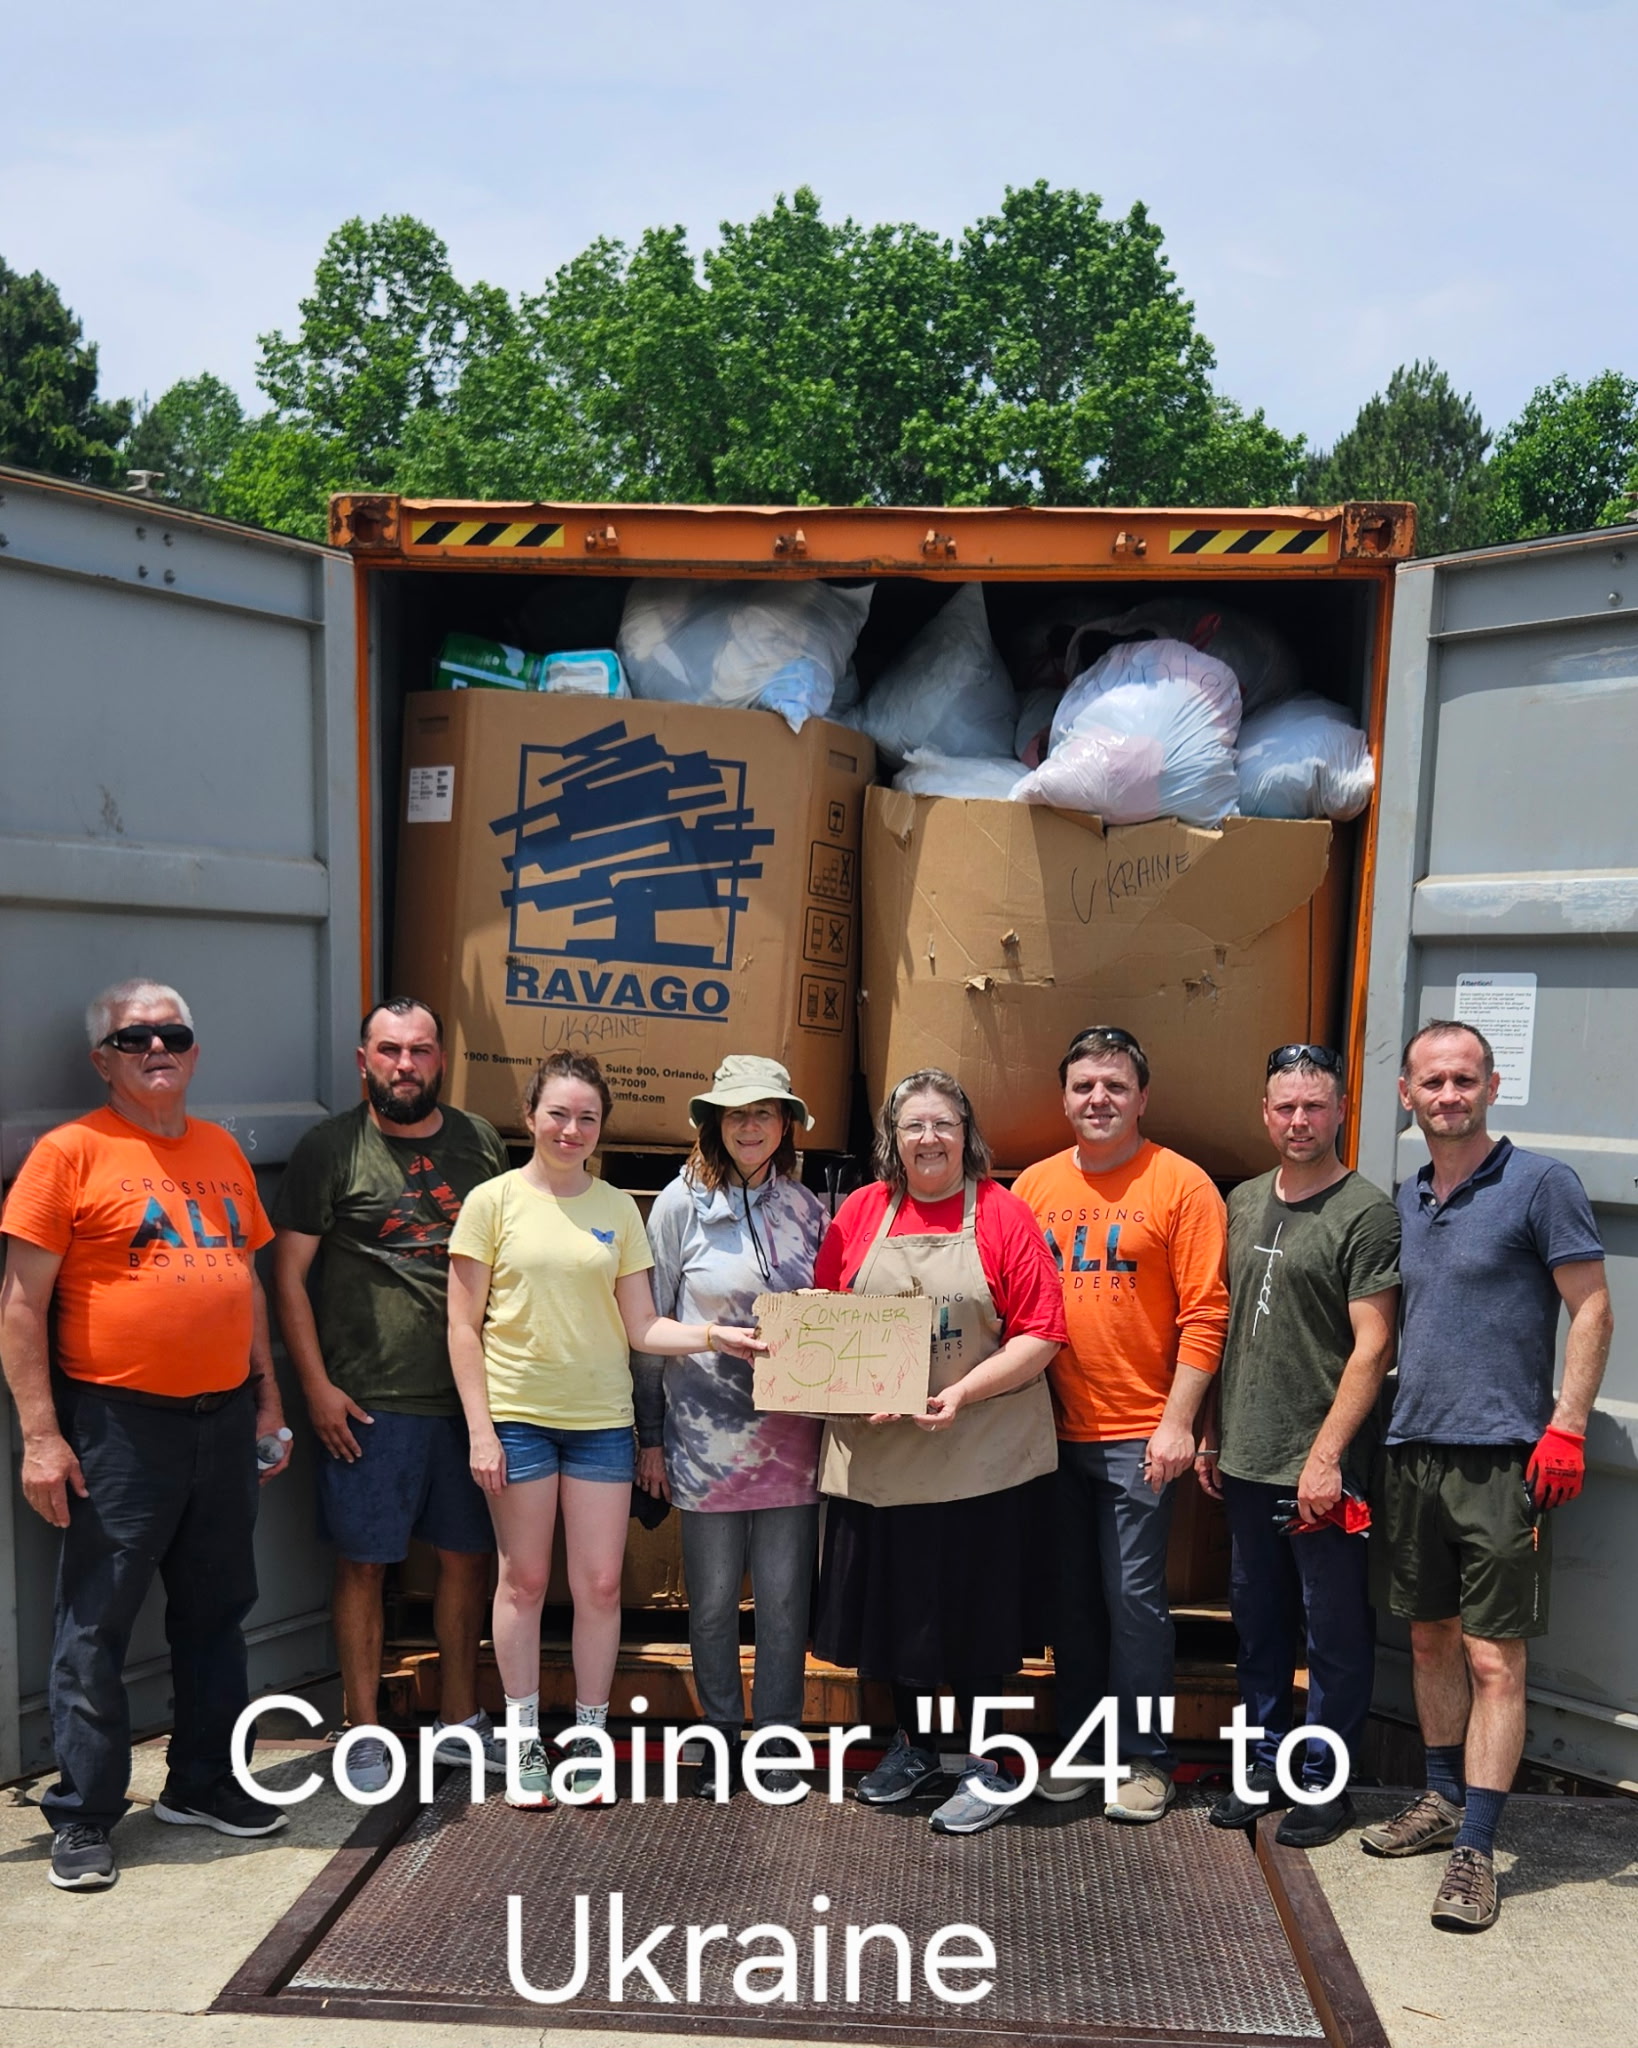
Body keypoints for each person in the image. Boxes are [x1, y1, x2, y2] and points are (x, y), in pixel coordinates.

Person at [0, 980, 291, 1892]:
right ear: (104, 1059)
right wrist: (41, 1436)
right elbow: (20, 1305)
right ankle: (85, 1813)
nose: (157, 1048)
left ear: (194, 1050)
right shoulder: (69, 1153)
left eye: (173, 1034)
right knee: (96, 1621)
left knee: (218, 1610)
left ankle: (202, 1783)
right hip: (118, 1427)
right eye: (135, 1038)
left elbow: (244, 1280)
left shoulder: (220, 1151)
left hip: (223, 1418)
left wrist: (268, 1397)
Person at [447, 1051, 765, 1810]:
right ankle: (525, 1740)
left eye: (587, 1118)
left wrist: (714, 1337)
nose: (572, 1129)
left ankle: (589, 1738)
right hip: (520, 1420)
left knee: (600, 1585)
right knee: (524, 1582)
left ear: (601, 1128)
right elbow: (461, 1327)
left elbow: (643, 1325)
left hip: (600, 1424)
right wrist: (480, 1430)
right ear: (530, 1117)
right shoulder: (491, 1202)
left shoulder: (618, 1208)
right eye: (558, 1114)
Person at [1362, 1020, 1611, 1933]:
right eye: (1432, 1081)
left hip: (1505, 1461)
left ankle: (1478, 1845)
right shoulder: (1408, 1196)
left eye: (1464, 1079)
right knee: (1430, 1642)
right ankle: (1439, 1799)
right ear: (1407, 1095)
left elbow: (1593, 1309)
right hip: (1414, 1451)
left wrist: (1567, 1428)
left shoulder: (1542, 1184)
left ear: (1492, 1086)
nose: (1448, 1095)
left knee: (1494, 1658)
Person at [811, 1068, 1066, 1837]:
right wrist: (851, 1385)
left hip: (980, 1459)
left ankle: (988, 1765)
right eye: (913, 1125)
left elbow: (1042, 1333)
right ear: (892, 1140)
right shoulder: (860, 1212)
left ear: (967, 1135)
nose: (929, 1139)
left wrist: (960, 1394)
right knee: (902, 1619)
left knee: (979, 1623)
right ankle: (917, 1748)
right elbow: (825, 1319)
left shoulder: (1003, 1214)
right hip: (884, 1461)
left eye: (944, 1124)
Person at [272, 999, 509, 1794]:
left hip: (468, 1400)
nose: (405, 1065)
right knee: (365, 1564)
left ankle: (460, 1723)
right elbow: (288, 1278)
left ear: (441, 1059)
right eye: (389, 1050)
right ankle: (364, 1730)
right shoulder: (331, 1149)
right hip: (368, 1403)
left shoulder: (479, 1143)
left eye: (420, 1050)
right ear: (362, 1060)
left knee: (467, 1559)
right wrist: (316, 1388)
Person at [1014, 1025, 1229, 1822]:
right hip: (1049, 1434)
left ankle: (1145, 1760)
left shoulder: (1181, 1185)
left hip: (1140, 1434)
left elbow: (1206, 1315)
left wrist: (1179, 1425)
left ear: (1143, 1098)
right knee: (1071, 1604)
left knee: (1133, 1599)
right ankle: (1083, 1752)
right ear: (1064, 1098)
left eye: (1114, 1086)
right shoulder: (1033, 1187)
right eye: (1083, 1086)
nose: (1098, 1099)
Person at [1196, 1044, 1400, 1848]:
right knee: (1260, 1626)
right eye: (1285, 1107)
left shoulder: (1366, 1212)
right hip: (1247, 1458)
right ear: (1265, 1112)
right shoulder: (1243, 1202)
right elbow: (1227, 1328)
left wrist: (1326, 1457)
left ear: (1341, 1110)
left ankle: (1324, 1781)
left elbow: (1373, 1346)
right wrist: (1213, 1431)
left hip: (1323, 1468)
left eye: (1315, 1106)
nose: (1300, 1121)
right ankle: (1264, 1767)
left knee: (1334, 1632)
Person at [632, 1056, 828, 1800]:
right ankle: (719, 1734)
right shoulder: (677, 1206)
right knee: (712, 1602)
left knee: (784, 1602)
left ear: (786, 1125)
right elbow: (646, 1329)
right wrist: (651, 1437)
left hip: (792, 1439)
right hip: (704, 1440)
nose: (750, 1127)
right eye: (736, 1113)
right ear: (713, 1123)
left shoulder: (807, 1208)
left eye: (765, 1112)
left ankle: (777, 1740)